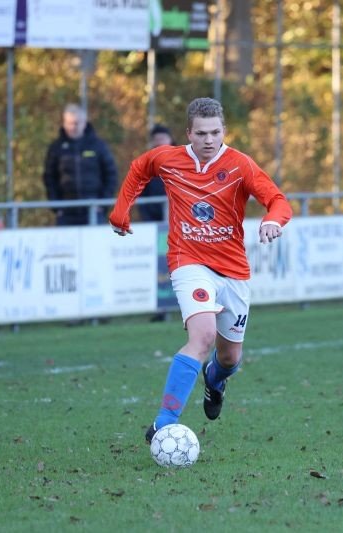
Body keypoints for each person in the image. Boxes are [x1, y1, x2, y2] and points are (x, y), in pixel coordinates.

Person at [108, 97, 292, 444]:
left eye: (216, 133)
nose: (209, 140)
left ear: (224, 131)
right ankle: (165, 422)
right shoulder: (168, 159)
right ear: (188, 133)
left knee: (229, 358)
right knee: (203, 336)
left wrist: (272, 220)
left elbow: (278, 200)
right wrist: (121, 211)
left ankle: (215, 379)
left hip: (233, 270)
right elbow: (139, 168)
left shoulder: (240, 165)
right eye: (202, 133)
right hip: (188, 260)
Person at [43, 103, 118, 226]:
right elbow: (49, 177)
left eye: (77, 123)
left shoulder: (98, 146)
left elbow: (111, 174)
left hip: (93, 210)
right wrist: (56, 206)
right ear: (64, 123)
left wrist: (103, 204)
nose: (73, 127)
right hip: (66, 212)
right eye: (70, 123)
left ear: (84, 123)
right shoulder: (56, 148)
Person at [137, 124, 173, 222]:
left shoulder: (184, 162)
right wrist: (147, 218)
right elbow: (141, 194)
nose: (160, 142)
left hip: (179, 219)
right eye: (157, 139)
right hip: (152, 221)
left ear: (170, 140)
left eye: (163, 139)